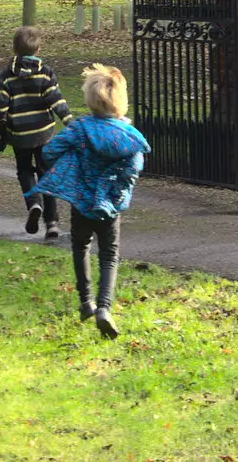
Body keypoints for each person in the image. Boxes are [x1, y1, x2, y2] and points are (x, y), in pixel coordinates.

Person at [31, 63, 149, 339]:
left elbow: (49, 152)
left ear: (90, 99)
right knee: (110, 254)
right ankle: (105, 308)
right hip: (110, 205)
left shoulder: (80, 129)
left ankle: (86, 302)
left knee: (80, 246)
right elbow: (135, 166)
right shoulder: (128, 136)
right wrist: (116, 186)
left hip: (81, 202)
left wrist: (73, 162)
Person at [0, 25, 72, 239]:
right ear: (38, 49)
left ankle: (33, 204)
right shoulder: (45, 73)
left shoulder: (6, 76)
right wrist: (68, 121)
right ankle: (52, 222)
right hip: (43, 133)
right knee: (47, 173)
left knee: (25, 171)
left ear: (14, 48)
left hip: (19, 135)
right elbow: (56, 100)